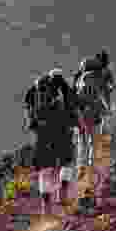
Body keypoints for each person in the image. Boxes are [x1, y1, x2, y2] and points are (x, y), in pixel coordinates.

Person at [23, 69, 79, 210]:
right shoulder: (62, 89)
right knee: (67, 161)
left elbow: (30, 118)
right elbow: (72, 107)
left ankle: (45, 203)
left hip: (42, 135)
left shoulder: (33, 93)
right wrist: (74, 123)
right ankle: (63, 192)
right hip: (61, 132)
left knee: (45, 169)